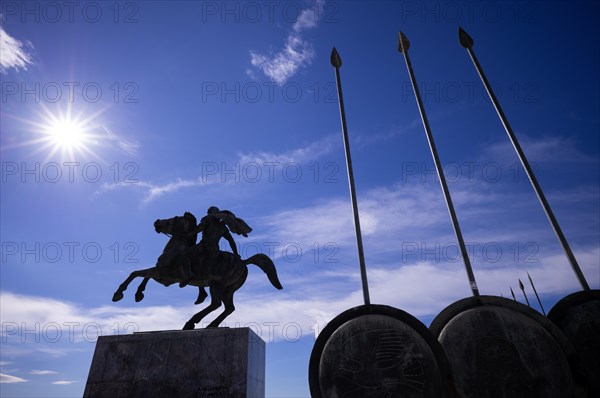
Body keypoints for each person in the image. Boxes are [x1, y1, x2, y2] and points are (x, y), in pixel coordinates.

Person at [179, 206, 252, 287]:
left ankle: (189, 275)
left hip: (204, 246)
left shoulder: (207, 219)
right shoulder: (223, 227)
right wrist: (236, 254)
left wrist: (191, 233)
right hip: (215, 249)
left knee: (185, 255)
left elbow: (200, 228)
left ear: (210, 213)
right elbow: (231, 241)